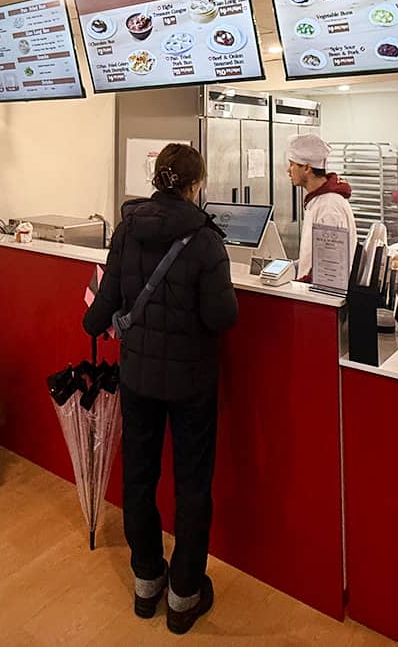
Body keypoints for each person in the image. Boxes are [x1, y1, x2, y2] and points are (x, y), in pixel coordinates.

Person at [83, 142, 237, 634]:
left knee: (139, 477)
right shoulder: (206, 241)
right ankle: (184, 594)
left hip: (138, 379)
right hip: (191, 383)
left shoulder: (127, 229)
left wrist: (95, 322)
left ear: (156, 180)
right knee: (192, 486)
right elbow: (221, 316)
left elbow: (103, 305)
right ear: (195, 185)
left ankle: (147, 580)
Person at [284, 133, 357, 284]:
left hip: (319, 293)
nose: (288, 170)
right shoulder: (319, 200)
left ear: (306, 168)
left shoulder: (328, 207)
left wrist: (301, 283)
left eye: (292, 164)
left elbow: (329, 266)